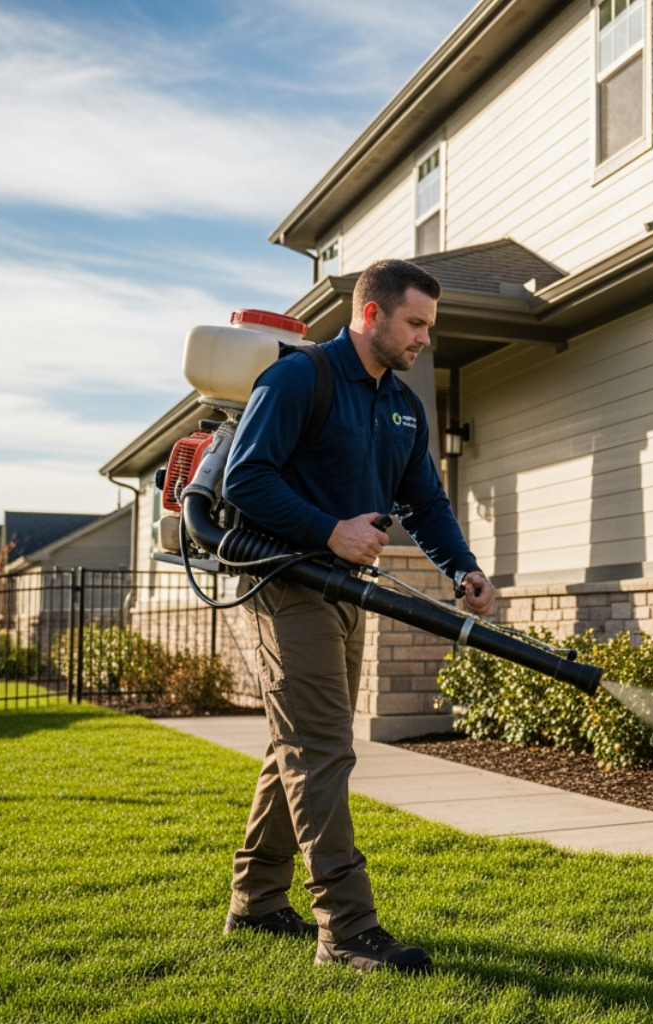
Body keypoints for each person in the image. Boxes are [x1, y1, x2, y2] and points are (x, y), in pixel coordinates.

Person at [220, 258, 495, 974]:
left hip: (345, 591)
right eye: (415, 323)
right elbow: (247, 479)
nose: (424, 339)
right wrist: (329, 530)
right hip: (285, 584)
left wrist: (461, 566)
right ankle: (345, 928)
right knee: (321, 751)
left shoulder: (401, 405)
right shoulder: (298, 379)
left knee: (305, 745)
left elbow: (423, 502)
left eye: (429, 327)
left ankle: (255, 900)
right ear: (369, 314)